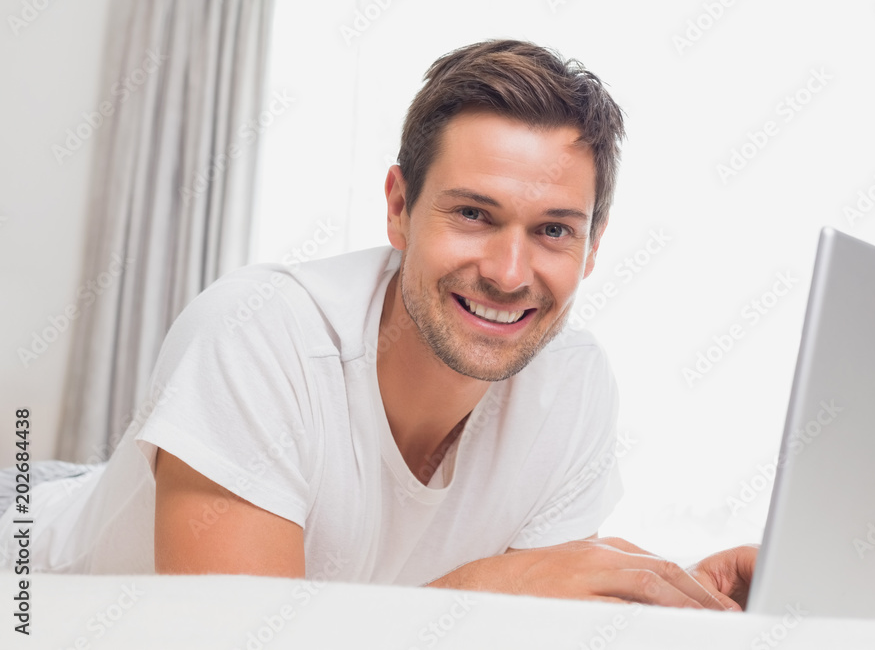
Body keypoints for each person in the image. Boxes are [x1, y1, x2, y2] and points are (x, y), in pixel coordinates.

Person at [0, 39, 755, 609]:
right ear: (399, 207)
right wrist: (500, 585)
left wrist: (683, 602)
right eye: (473, 213)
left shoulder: (574, 382)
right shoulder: (259, 334)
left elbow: (532, 619)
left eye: (555, 229)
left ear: (592, 246)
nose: (508, 271)